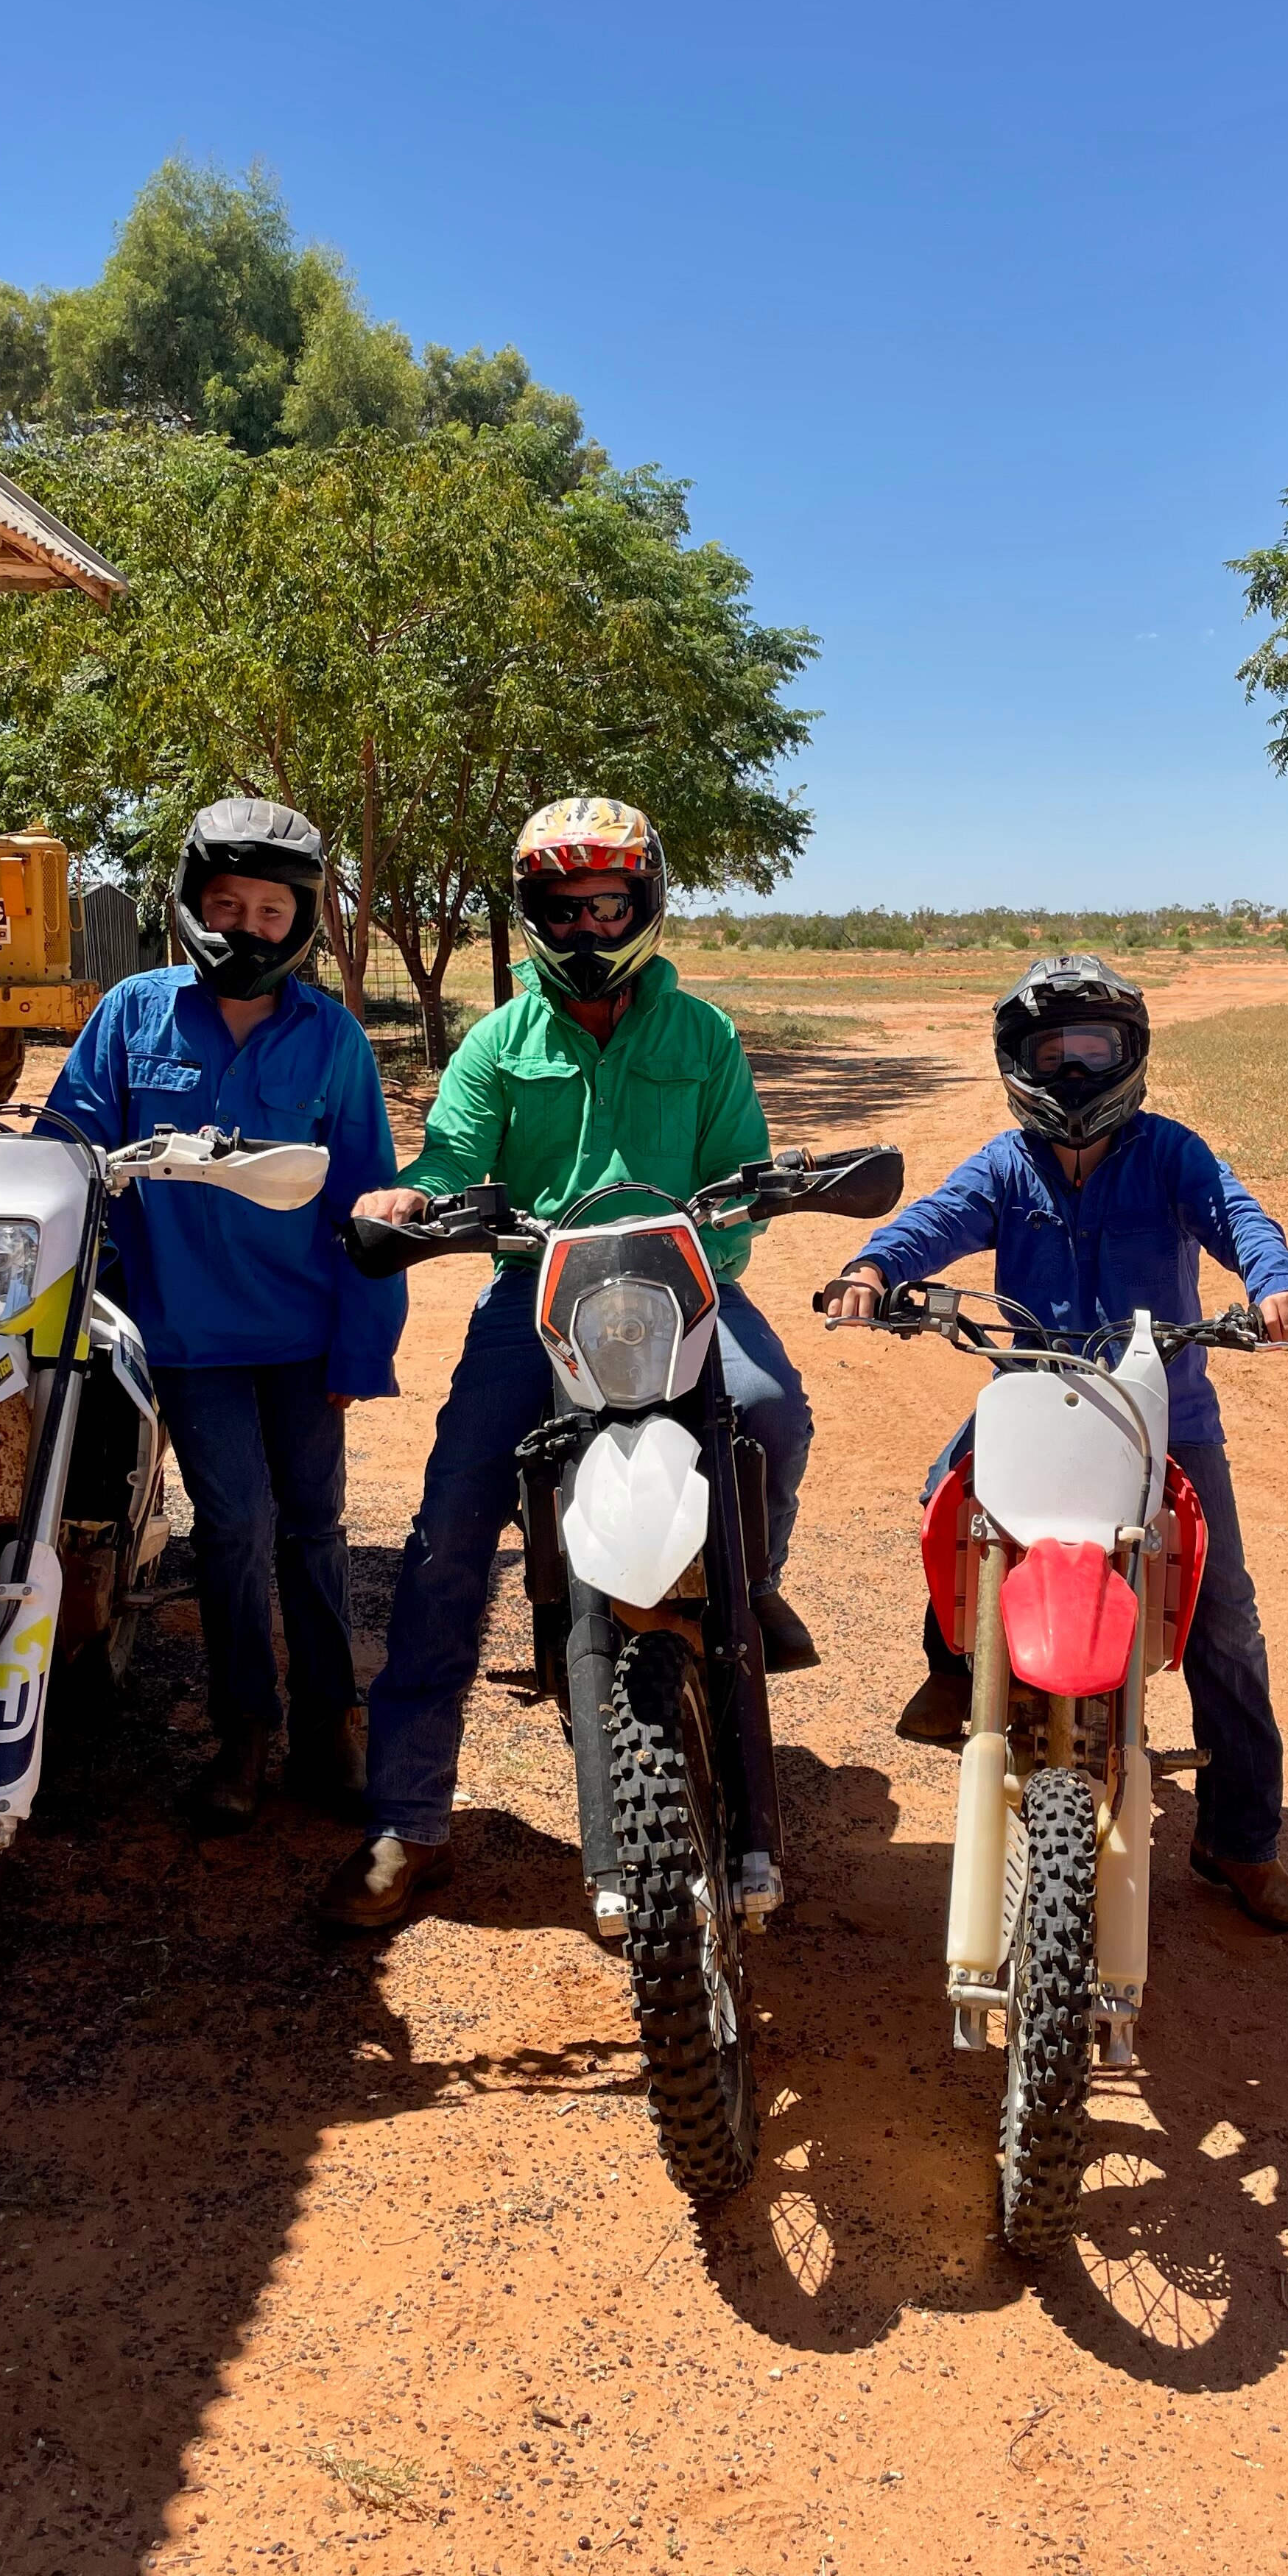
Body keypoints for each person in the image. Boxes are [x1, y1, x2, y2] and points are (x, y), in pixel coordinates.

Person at [317, 794, 816, 1931]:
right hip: (534, 1299)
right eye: (563, 908)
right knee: (451, 1529)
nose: (587, 929)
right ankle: (409, 1821)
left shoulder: (706, 1036)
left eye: (607, 905)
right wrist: (413, 1199)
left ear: (644, 904)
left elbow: (739, 1181)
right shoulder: (501, 1040)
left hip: (683, 1285)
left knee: (772, 1409)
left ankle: (757, 1576)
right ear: (533, 913)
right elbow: (451, 1164)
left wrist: (715, 1231)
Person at [820, 952, 1288, 1934]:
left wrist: (1275, 1286)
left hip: (1162, 1418)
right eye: (1050, 1051)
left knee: (1227, 1624)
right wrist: (876, 1262)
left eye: (1092, 1048)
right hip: (1033, 1400)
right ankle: (953, 1666)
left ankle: (1242, 1842)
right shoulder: (1006, 1165)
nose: (1072, 1070)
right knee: (946, 1495)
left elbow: (1241, 1221)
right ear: (1019, 1061)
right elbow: (936, 1220)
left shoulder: (1172, 1153)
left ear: (1129, 1055)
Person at [46, 799, 406, 1832]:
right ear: (192, 905)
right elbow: (67, 1140)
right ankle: (243, 1729)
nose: (247, 925)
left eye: (270, 909)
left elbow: (370, 1199)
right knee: (235, 1528)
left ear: (301, 923)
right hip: (186, 1336)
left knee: (315, 1528)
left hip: (305, 1336)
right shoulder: (133, 1013)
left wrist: (364, 1342)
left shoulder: (331, 1036)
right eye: (226, 903)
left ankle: (329, 1725)